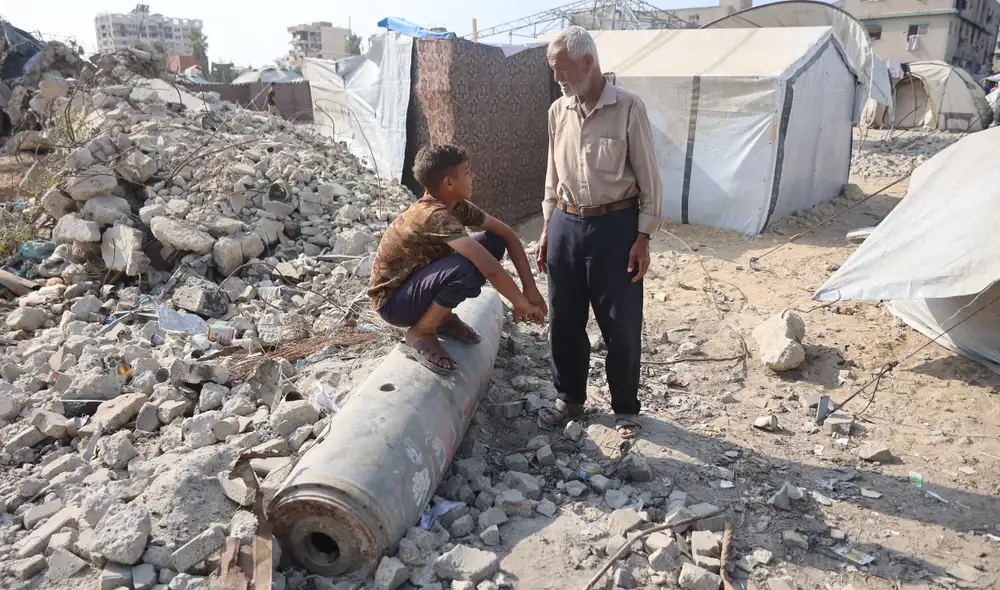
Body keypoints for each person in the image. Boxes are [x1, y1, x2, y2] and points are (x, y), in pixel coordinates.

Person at [536, 26, 662, 439]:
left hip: (616, 228)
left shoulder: (628, 108)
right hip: (566, 224)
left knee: (620, 323)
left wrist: (643, 237)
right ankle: (569, 397)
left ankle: (625, 408)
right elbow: (552, 179)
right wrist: (546, 228)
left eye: (562, 68)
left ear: (588, 62)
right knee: (565, 319)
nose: (557, 78)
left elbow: (650, 179)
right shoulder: (558, 112)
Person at [368, 144, 547, 374]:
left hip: (415, 286)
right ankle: (421, 330)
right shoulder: (433, 215)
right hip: (394, 304)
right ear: (449, 183)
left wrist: (530, 289)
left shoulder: (456, 206)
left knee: (492, 241)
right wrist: (521, 303)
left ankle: (442, 318)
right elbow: (489, 268)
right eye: (467, 171)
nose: (473, 176)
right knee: (468, 266)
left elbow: (506, 233)